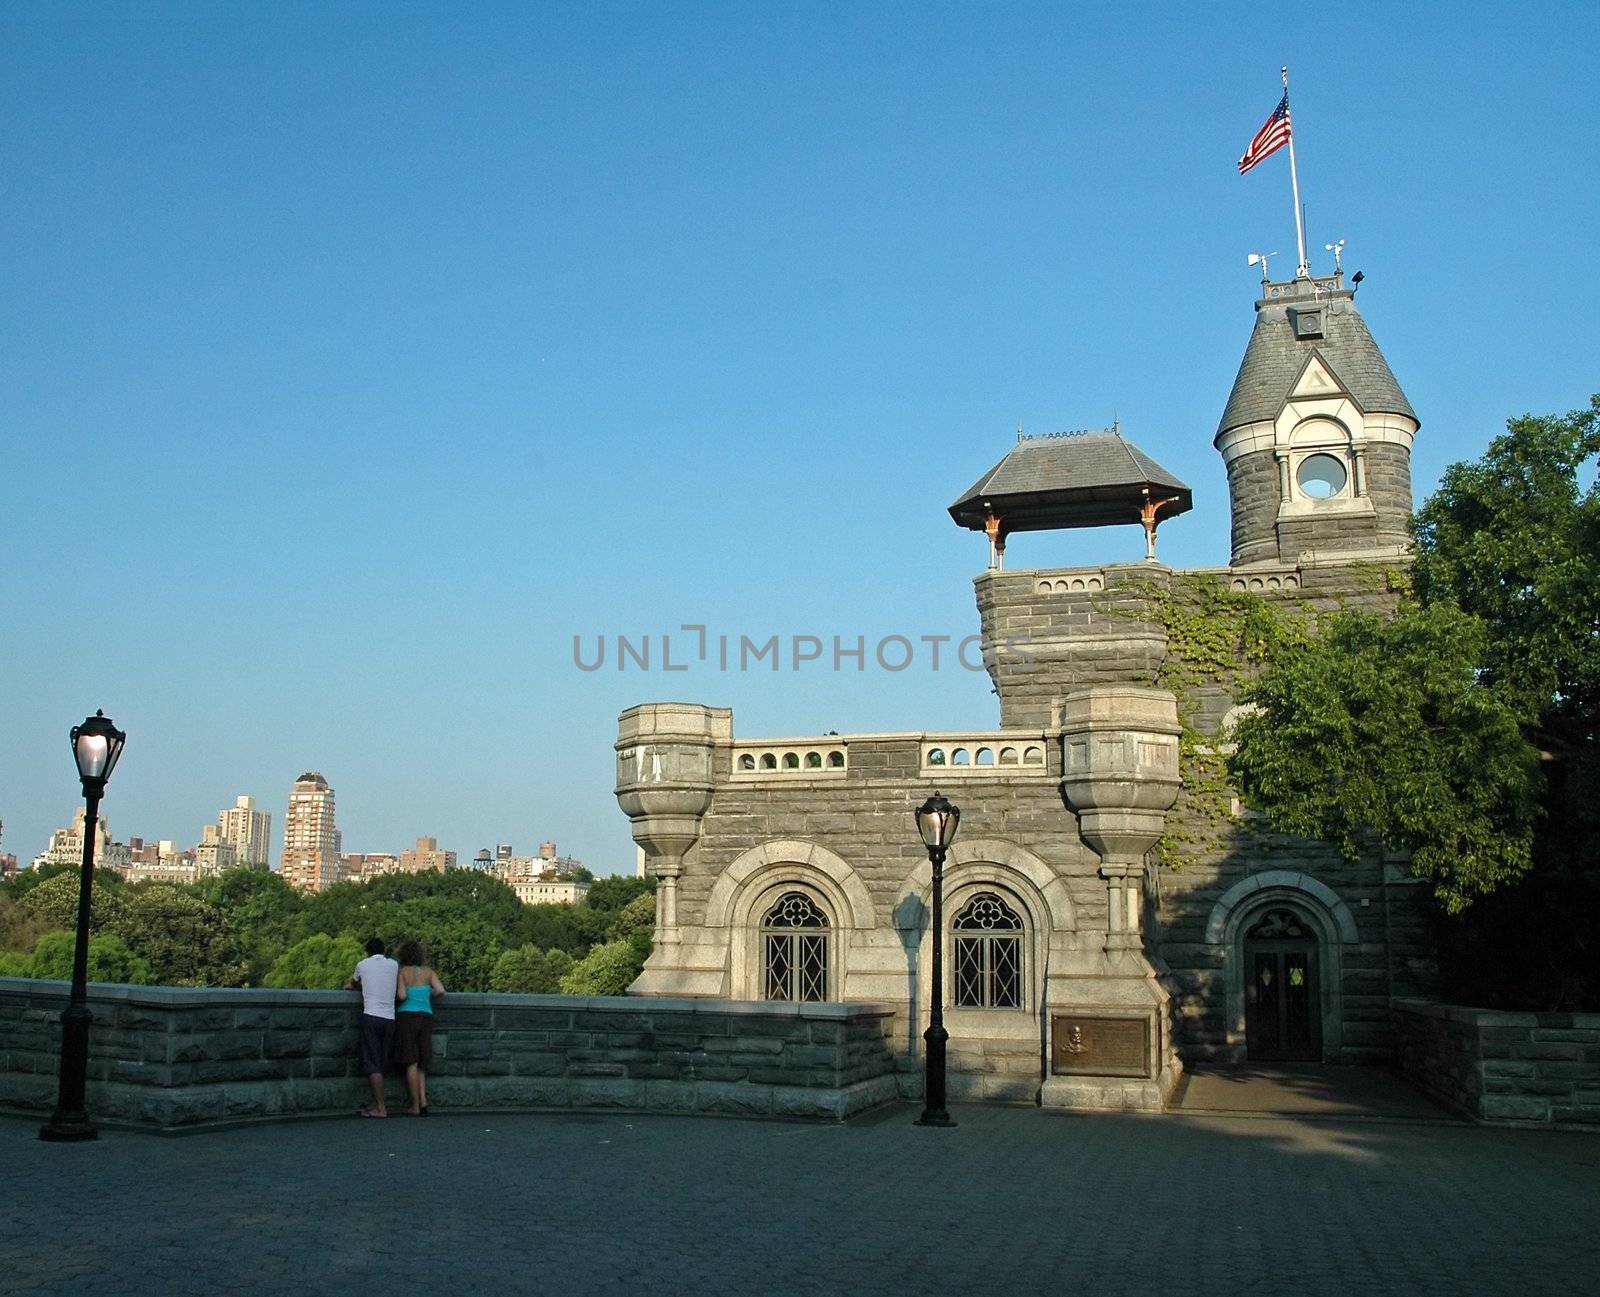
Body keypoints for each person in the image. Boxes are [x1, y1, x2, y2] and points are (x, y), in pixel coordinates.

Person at [345, 937, 398, 1118]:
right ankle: (376, 1103)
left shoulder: (362, 965)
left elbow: (353, 983)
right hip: (390, 1018)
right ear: (383, 951)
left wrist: (354, 986)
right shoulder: (393, 965)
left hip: (371, 1017)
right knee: (383, 1062)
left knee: (373, 1063)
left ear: (367, 951)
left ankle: (380, 1108)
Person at [394, 939, 445, 1116]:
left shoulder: (402, 972)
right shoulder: (429, 972)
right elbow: (440, 990)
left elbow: (401, 995)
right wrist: (425, 994)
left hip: (406, 1017)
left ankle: (414, 1105)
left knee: (411, 1061)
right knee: (422, 1061)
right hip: (426, 1016)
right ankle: (424, 1101)